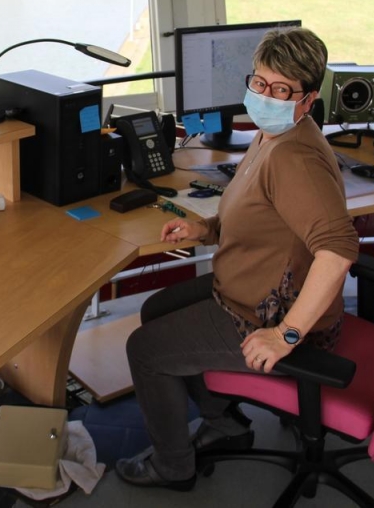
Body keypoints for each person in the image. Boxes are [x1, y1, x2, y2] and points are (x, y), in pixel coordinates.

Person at [115, 27, 359, 491]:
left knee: (144, 350)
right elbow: (257, 210)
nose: (266, 96)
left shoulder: (294, 158)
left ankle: (173, 466)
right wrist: (205, 228)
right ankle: (224, 421)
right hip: (246, 289)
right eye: (260, 83)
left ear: (307, 99)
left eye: (282, 89)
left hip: (267, 315)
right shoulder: (272, 135)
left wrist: (285, 336)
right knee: (155, 310)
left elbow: (338, 250)